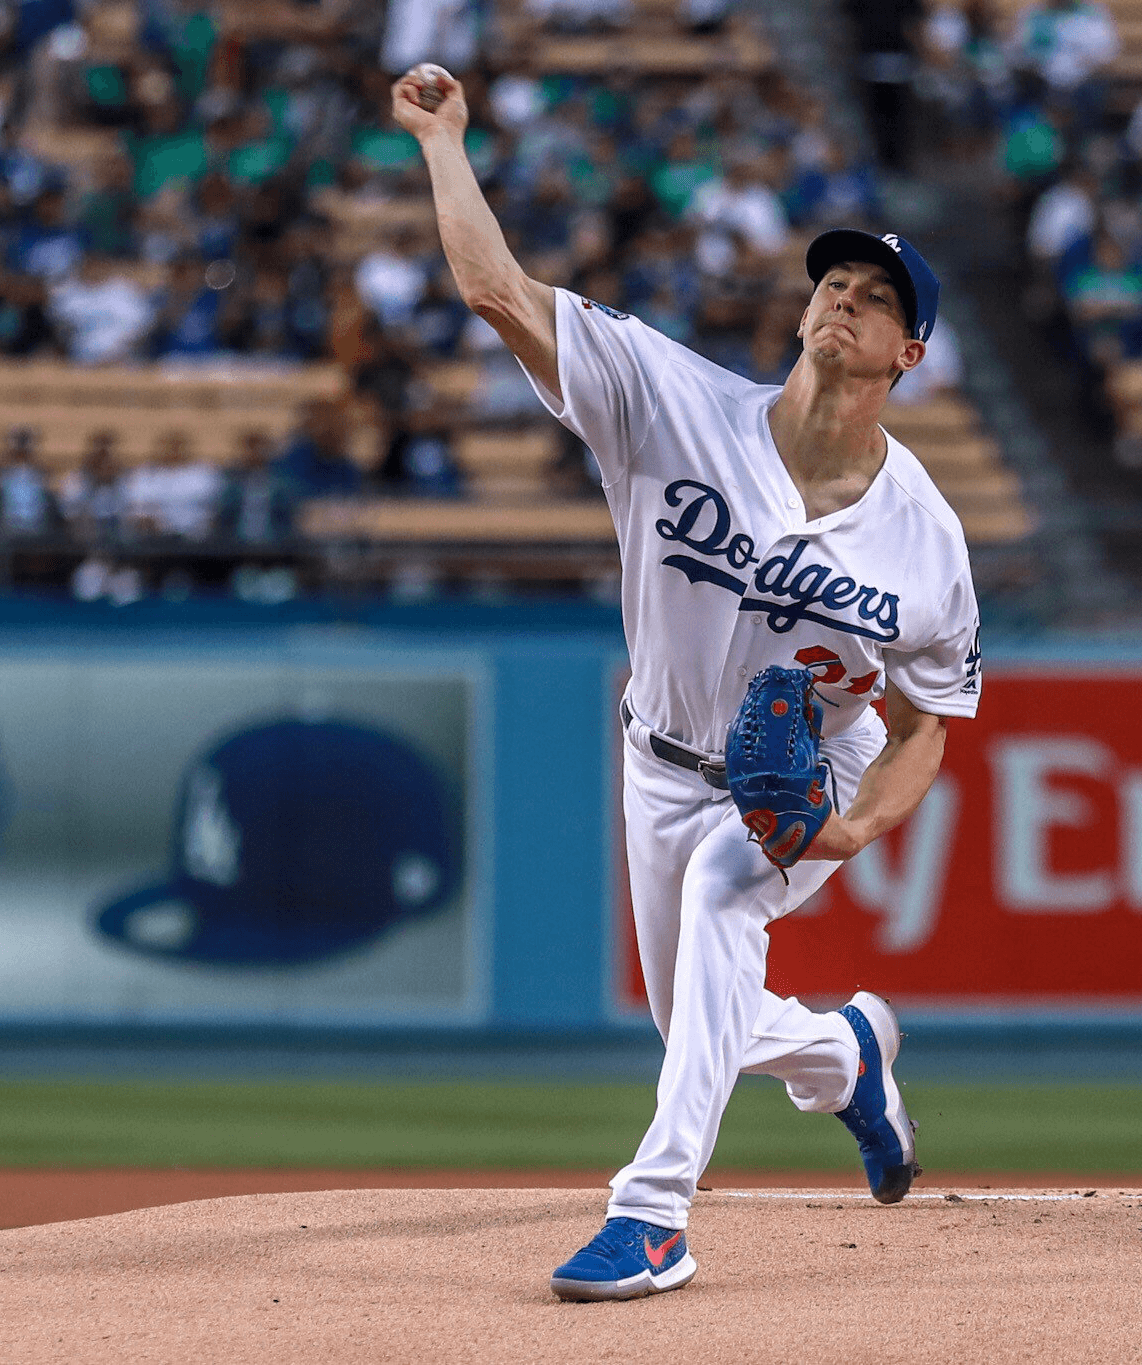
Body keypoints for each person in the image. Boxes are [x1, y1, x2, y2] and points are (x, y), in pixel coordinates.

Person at [394, 69, 980, 1300]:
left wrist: (853, 822)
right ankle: (841, 1057)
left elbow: (932, 717)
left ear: (906, 352)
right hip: (657, 755)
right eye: (834, 280)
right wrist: (445, 144)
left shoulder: (925, 538)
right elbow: (495, 290)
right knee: (694, 1027)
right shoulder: (671, 403)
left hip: (809, 764)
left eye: (876, 300)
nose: (845, 300)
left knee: (727, 897)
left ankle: (651, 1215)